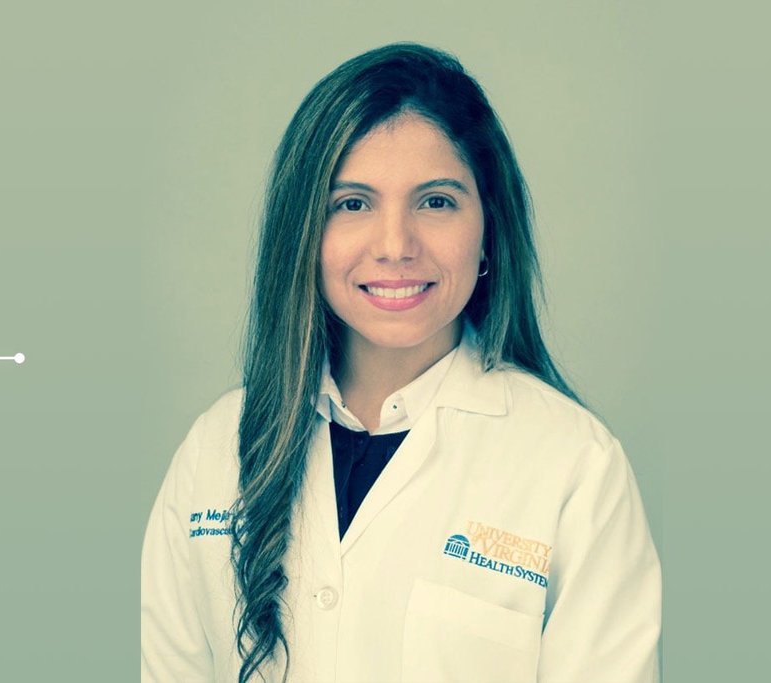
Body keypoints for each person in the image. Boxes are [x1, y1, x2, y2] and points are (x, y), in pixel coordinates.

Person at [140, 43, 661, 683]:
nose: (394, 246)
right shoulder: (214, 450)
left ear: (489, 230)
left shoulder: (575, 466)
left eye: (436, 202)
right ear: (304, 234)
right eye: (352, 204)